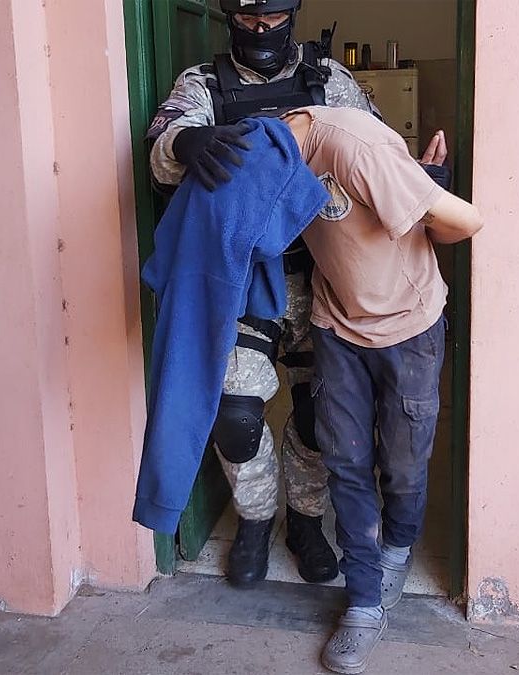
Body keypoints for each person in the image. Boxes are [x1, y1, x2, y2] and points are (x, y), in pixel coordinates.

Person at [145, 0, 448, 589]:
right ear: (231, 18)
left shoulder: (329, 80)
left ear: (292, 16)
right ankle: (256, 519)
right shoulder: (203, 83)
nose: (261, 30)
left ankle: (306, 522)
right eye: (248, 19)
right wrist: (185, 146)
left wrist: (425, 183)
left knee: (317, 418)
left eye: (273, 19)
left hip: (324, 276)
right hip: (242, 277)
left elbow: (377, 152)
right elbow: (162, 148)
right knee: (236, 416)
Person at [280, 105, 483, 674]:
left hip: (409, 327)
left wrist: (419, 197)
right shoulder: (272, 150)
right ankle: (364, 600)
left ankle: (397, 544)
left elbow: (468, 221)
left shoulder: (355, 147)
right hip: (336, 323)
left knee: (403, 464)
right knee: (345, 462)